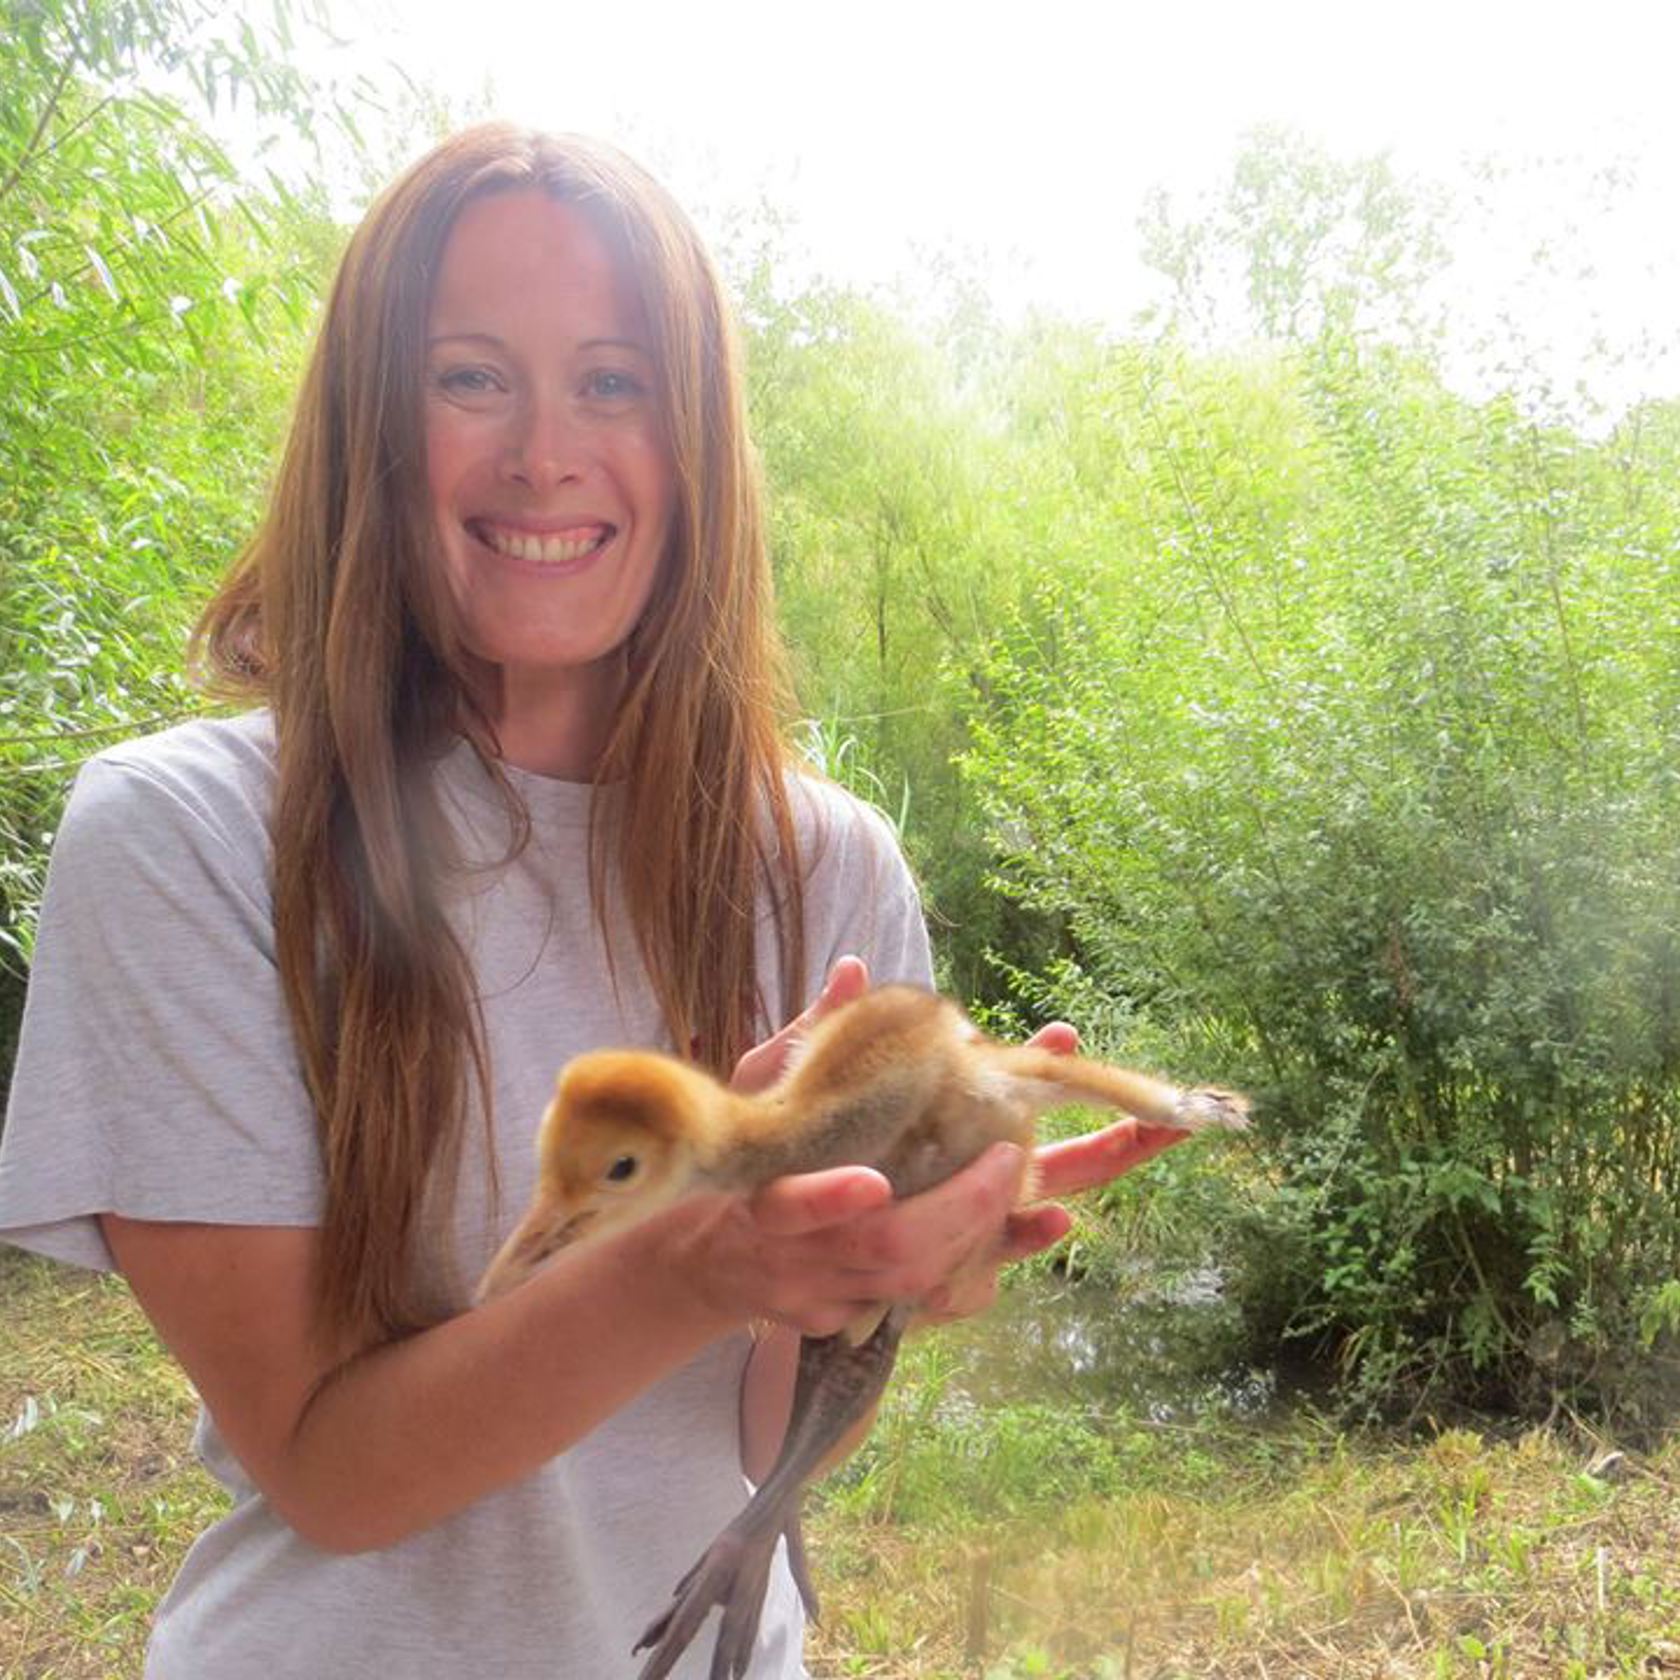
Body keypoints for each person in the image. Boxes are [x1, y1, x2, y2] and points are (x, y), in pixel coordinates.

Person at [0, 125, 1183, 1678]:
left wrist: (856, 1277)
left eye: (615, 381)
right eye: (470, 376)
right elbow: (331, 1470)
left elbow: (775, 1423)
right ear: (368, 422)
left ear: (695, 440)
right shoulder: (187, 838)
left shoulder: (827, 873)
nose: (546, 452)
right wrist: (704, 1251)